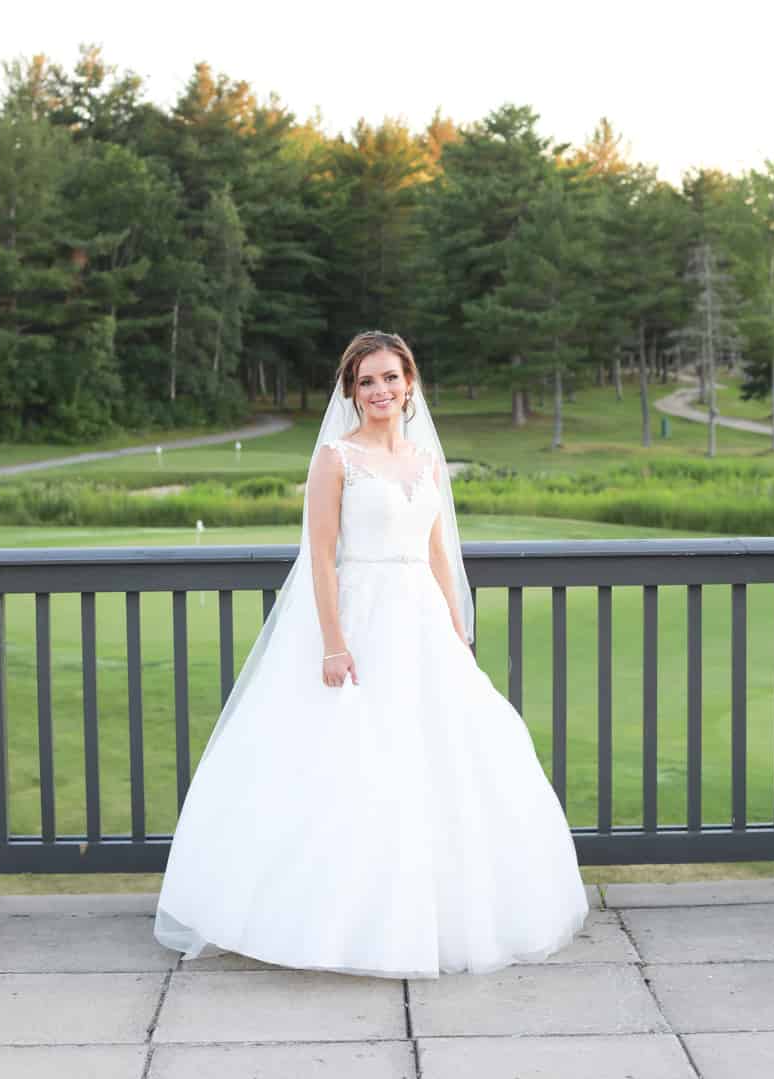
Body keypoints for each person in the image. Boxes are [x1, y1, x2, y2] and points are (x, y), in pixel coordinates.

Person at [153, 330, 589, 978]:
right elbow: (320, 556)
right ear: (350, 391)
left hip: (423, 626)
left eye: (390, 377)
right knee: (346, 758)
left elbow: (439, 553)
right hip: (360, 620)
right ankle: (323, 922)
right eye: (366, 381)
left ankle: (436, 915)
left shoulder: (424, 461)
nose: (380, 390)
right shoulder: (336, 458)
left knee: (445, 756)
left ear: (409, 382)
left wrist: (456, 629)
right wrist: (333, 642)